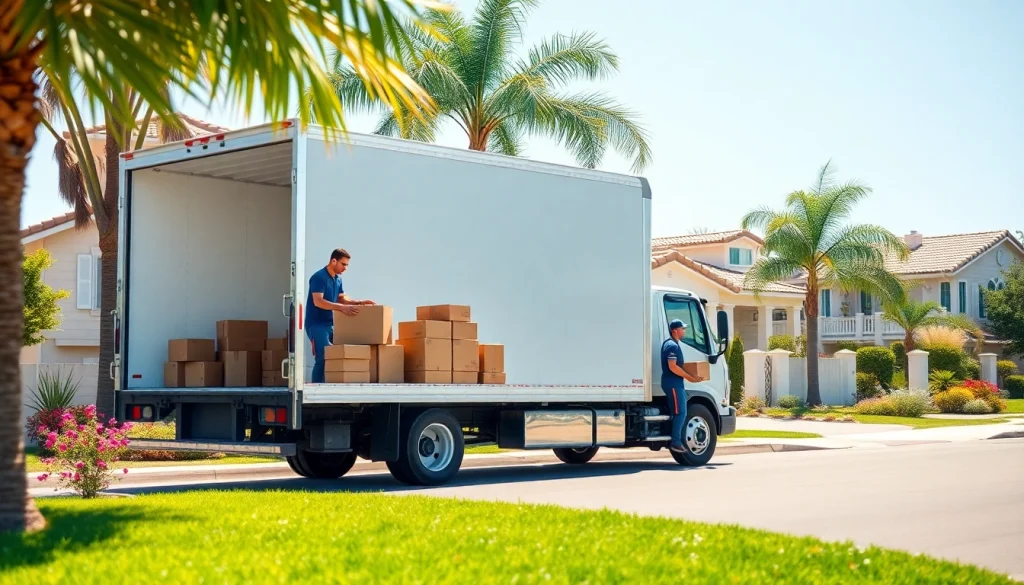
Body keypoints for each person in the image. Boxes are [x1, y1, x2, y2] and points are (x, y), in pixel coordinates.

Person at [306, 248, 375, 383]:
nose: (345, 268)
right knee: (323, 357)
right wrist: (342, 308)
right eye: (343, 264)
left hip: (331, 324)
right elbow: (318, 301)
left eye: (347, 265)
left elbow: (341, 299)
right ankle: (316, 394)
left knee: (334, 357)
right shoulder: (318, 277)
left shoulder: (338, 280)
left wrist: (360, 302)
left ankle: (328, 390)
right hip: (316, 325)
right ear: (333, 261)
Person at [661, 319, 706, 453]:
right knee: (681, 412)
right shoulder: (672, 346)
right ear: (674, 330)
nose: (684, 331)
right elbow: (673, 366)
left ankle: (673, 439)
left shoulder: (672, 344)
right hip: (673, 384)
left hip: (674, 383)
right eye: (682, 328)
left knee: (677, 412)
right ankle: (676, 442)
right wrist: (690, 377)